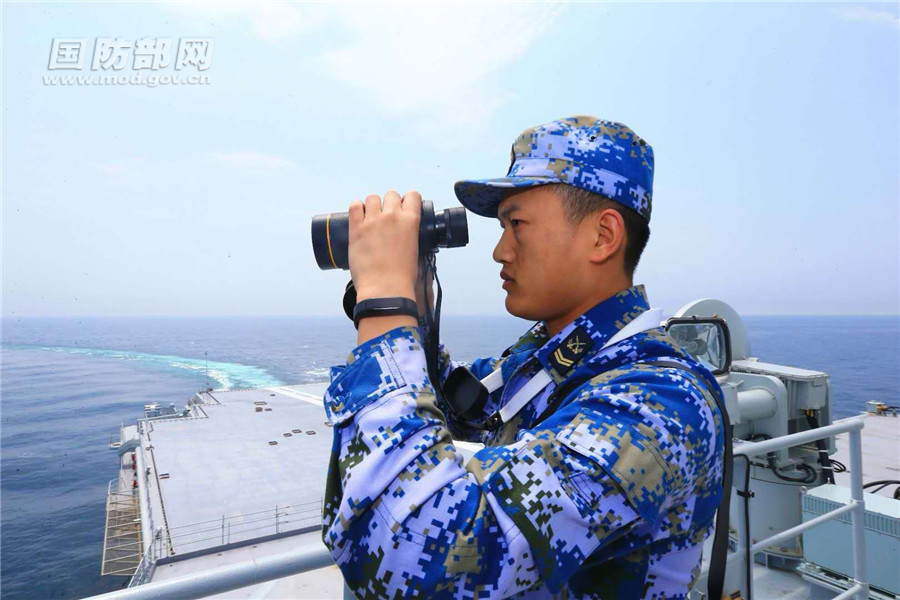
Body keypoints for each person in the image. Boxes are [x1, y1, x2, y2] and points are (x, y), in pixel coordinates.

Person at [321, 116, 725, 599]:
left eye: (517, 225)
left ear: (603, 236)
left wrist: (384, 306)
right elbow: (467, 410)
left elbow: (416, 556)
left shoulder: (658, 403)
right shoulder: (554, 358)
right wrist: (415, 309)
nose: (499, 251)